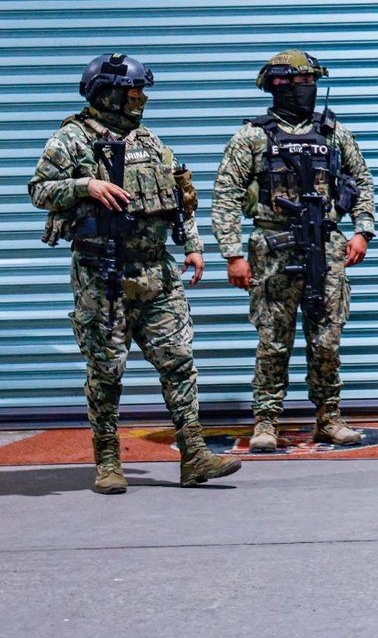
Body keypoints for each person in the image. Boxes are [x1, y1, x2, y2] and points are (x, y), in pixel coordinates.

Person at [29, 53, 241, 491]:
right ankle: (108, 461)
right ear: (108, 93)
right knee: (106, 370)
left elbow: (180, 197)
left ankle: (194, 455)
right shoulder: (72, 139)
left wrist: (194, 246)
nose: (141, 97)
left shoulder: (149, 140)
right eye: (134, 90)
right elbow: (39, 190)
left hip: (157, 273)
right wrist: (86, 185)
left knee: (179, 361)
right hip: (101, 274)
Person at [211, 50, 377, 453]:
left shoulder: (334, 133)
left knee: (326, 341)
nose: (307, 89)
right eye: (299, 82)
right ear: (277, 86)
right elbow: (226, 194)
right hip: (272, 249)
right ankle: (266, 420)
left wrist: (363, 231)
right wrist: (233, 254)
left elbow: (361, 180)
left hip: (326, 247)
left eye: (311, 82)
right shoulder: (252, 137)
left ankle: (329, 417)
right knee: (273, 342)